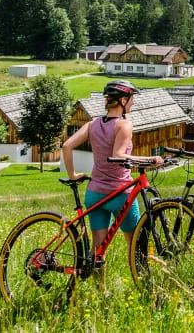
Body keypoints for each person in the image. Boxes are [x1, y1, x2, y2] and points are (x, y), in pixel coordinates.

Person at [61, 79, 163, 275]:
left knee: (98, 252)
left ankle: (101, 294)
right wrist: (150, 159)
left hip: (95, 193)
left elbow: (67, 146)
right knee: (136, 247)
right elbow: (118, 155)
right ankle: (145, 286)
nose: (132, 103)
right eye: (131, 99)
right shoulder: (124, 125)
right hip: (120, 193)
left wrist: (73, 175)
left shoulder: (93, 124)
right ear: (123, 100)